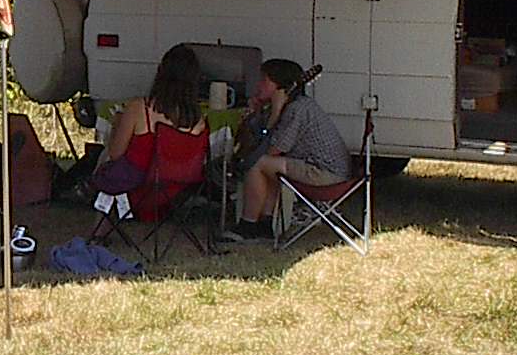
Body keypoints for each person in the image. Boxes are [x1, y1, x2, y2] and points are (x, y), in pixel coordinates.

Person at [225, 57, 350, 241]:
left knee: (259, 164)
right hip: (316, 167)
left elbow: (274, 149)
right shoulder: (288, 106)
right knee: (268, 168)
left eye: (264, 80)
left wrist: (275, 113)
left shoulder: (297, 109)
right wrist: (258, 112)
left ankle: (249, 224)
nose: (259, 84)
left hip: (326, 173)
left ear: (278, 86)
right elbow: (259, 136)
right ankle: (265, 224)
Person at [90, 44, 208, 218]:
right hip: (178, 185)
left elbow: (116, 153)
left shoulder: (140, 108)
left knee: (105, 162)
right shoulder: (198, 120)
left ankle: (101, 227)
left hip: (138, 181)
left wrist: (117, 124)